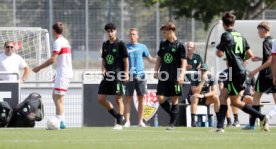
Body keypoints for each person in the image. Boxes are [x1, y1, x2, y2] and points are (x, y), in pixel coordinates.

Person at [215, 12, 269, 132]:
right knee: (234, 101)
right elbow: (250, 55)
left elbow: (219, 53)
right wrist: (239, 60)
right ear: (233, 23)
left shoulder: (226, 35)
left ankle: (220, 127)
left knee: (223, 96)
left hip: (233, 71)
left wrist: (224, 53)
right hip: (239, 71)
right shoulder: (241, 36)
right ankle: (262, 117)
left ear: (224, 24)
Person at [32, 22, 73, 129]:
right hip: (64, 71)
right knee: (59, 97)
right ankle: (62, 122)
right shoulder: (66, 41)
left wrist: (39, 68)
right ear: (62, 31)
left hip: (63, 72)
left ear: (53, 31)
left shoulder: (58, 42)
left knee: (56, 97)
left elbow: (53, 59)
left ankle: (59, 122)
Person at [154, 22, 187, 130]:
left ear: (171, 31)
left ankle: (172, 124)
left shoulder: (180, 45)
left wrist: (181, 75)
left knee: (174, 99)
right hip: (164, 76)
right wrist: (156, 71)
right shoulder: (163, 44)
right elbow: (159, 58)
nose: (163, 34)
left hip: (175, 76)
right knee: (160, 98)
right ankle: (174, 115)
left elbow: (184, 62)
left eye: (165, 32)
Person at [97, 23, 129, 130]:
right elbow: (104, 59)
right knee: (101, 99)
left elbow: (125, 60)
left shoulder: (120, 44)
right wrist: (103, 68)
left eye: (112, 31)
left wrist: (126, 73)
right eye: (108, 31)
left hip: (118, 74)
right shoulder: (105, 44)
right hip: (108, 75)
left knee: (119, 99)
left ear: (115, 31)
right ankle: (118, 116)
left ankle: (119, 123)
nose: (110, 33)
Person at [245, 21, 276, 130]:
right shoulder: (274, 40)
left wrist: (255, 71)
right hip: (274, 74)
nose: (258, 33)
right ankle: (266, 120)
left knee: (256, 98)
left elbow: (269, 61)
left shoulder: (266, 42)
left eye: (259, 30)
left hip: (265, 75)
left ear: (263, 30)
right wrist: (260, 59)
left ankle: (252, 124)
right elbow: (272, 59)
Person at [123, 28, 156, 128]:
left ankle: (140, 122)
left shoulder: (142, 47)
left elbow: (150, 59)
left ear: (137, 36)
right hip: (129, 77)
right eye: (131, 34)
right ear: (129, 36)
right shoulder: (125, 47)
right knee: (127, 99)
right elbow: (122, 61)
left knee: (141, 99)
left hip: (141, 76)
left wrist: (160, 61)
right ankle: (127, 122)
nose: (132, 36)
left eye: (134, 34)